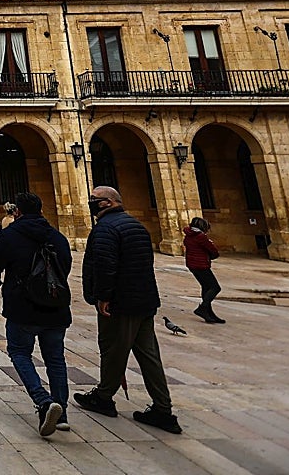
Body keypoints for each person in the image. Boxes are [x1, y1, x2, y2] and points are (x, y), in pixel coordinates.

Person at [74, 186, 182, 434]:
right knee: (149, 356)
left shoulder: (105, 229)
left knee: (113, 350)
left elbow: (104, 266)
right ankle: (163, 408)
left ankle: (103, 397)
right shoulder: (137, 227)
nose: (91, 203)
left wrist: (103, 297)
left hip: (120, 304)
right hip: (144, 302)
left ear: (109, 203)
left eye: (95, 200)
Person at [0, 191, 73, 437]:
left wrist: (0, 238)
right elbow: (66, 266)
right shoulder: (58, 236)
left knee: (20, 353)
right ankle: (61, 413)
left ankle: (43, 401)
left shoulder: (11, 235)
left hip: (23, 308)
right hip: (56, 308)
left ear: (17, 212)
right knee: (55, 359)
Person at [184, 217, 224, 324]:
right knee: (215, 287)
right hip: (201, 265)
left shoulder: (188, 236)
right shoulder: (201, 237)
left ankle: (209, 314)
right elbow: (214, 251)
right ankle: (203, 308)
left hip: (192, 265)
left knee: (206, 287)